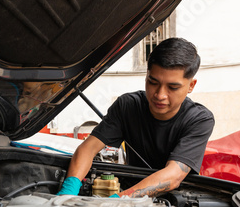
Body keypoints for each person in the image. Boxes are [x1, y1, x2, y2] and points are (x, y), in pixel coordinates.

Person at [57, 37, 215, 198]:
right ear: (146, 76)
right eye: (153, 82)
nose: (160, 95)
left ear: (191, 86)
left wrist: (119, 199)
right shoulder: (127, 106)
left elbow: (173, 176)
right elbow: (88, 148)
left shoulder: (199, 120)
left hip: (174, 201)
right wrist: (70, 187)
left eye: (172, 87)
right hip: (131, 196)